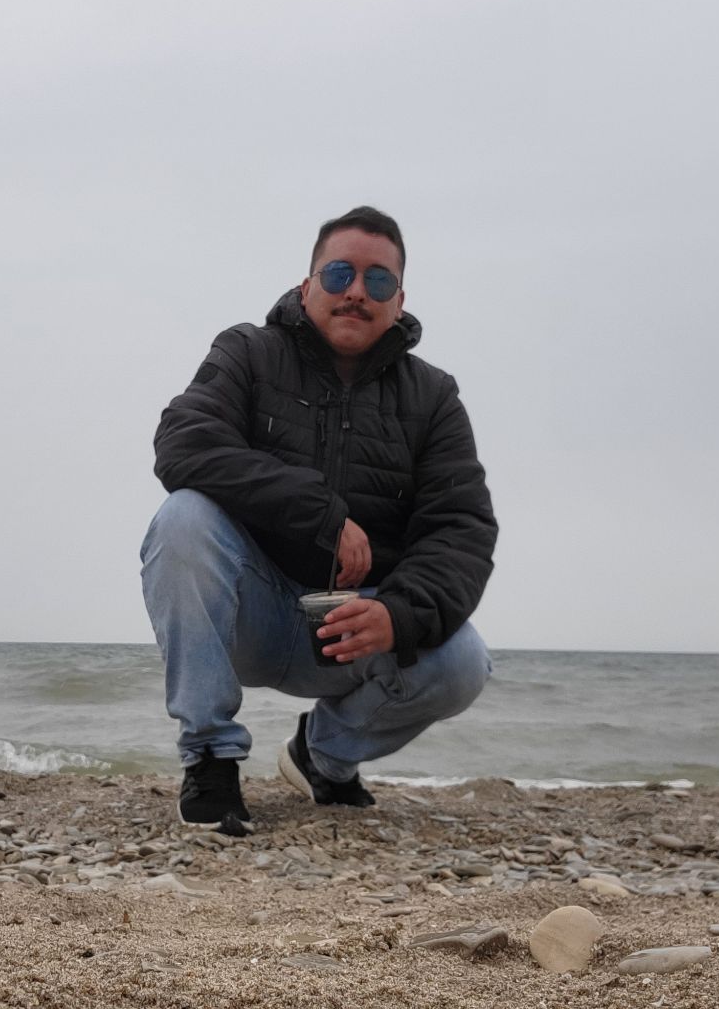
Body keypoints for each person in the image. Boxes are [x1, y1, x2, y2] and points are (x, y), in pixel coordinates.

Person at [140, 206, 497, 831]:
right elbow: (183, 444)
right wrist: (322, 514)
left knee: (464, 660)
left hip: (350, 631)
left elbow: (460, 530)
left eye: (378, 280)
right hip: (248, 614)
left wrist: (398, 614)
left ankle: (323, 757)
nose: (356, 291)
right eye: (339, 274)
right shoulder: (247, 352)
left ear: (399, 301)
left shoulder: (434, 397)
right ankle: (210, 757)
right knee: (183, 517)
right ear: (307, 286)